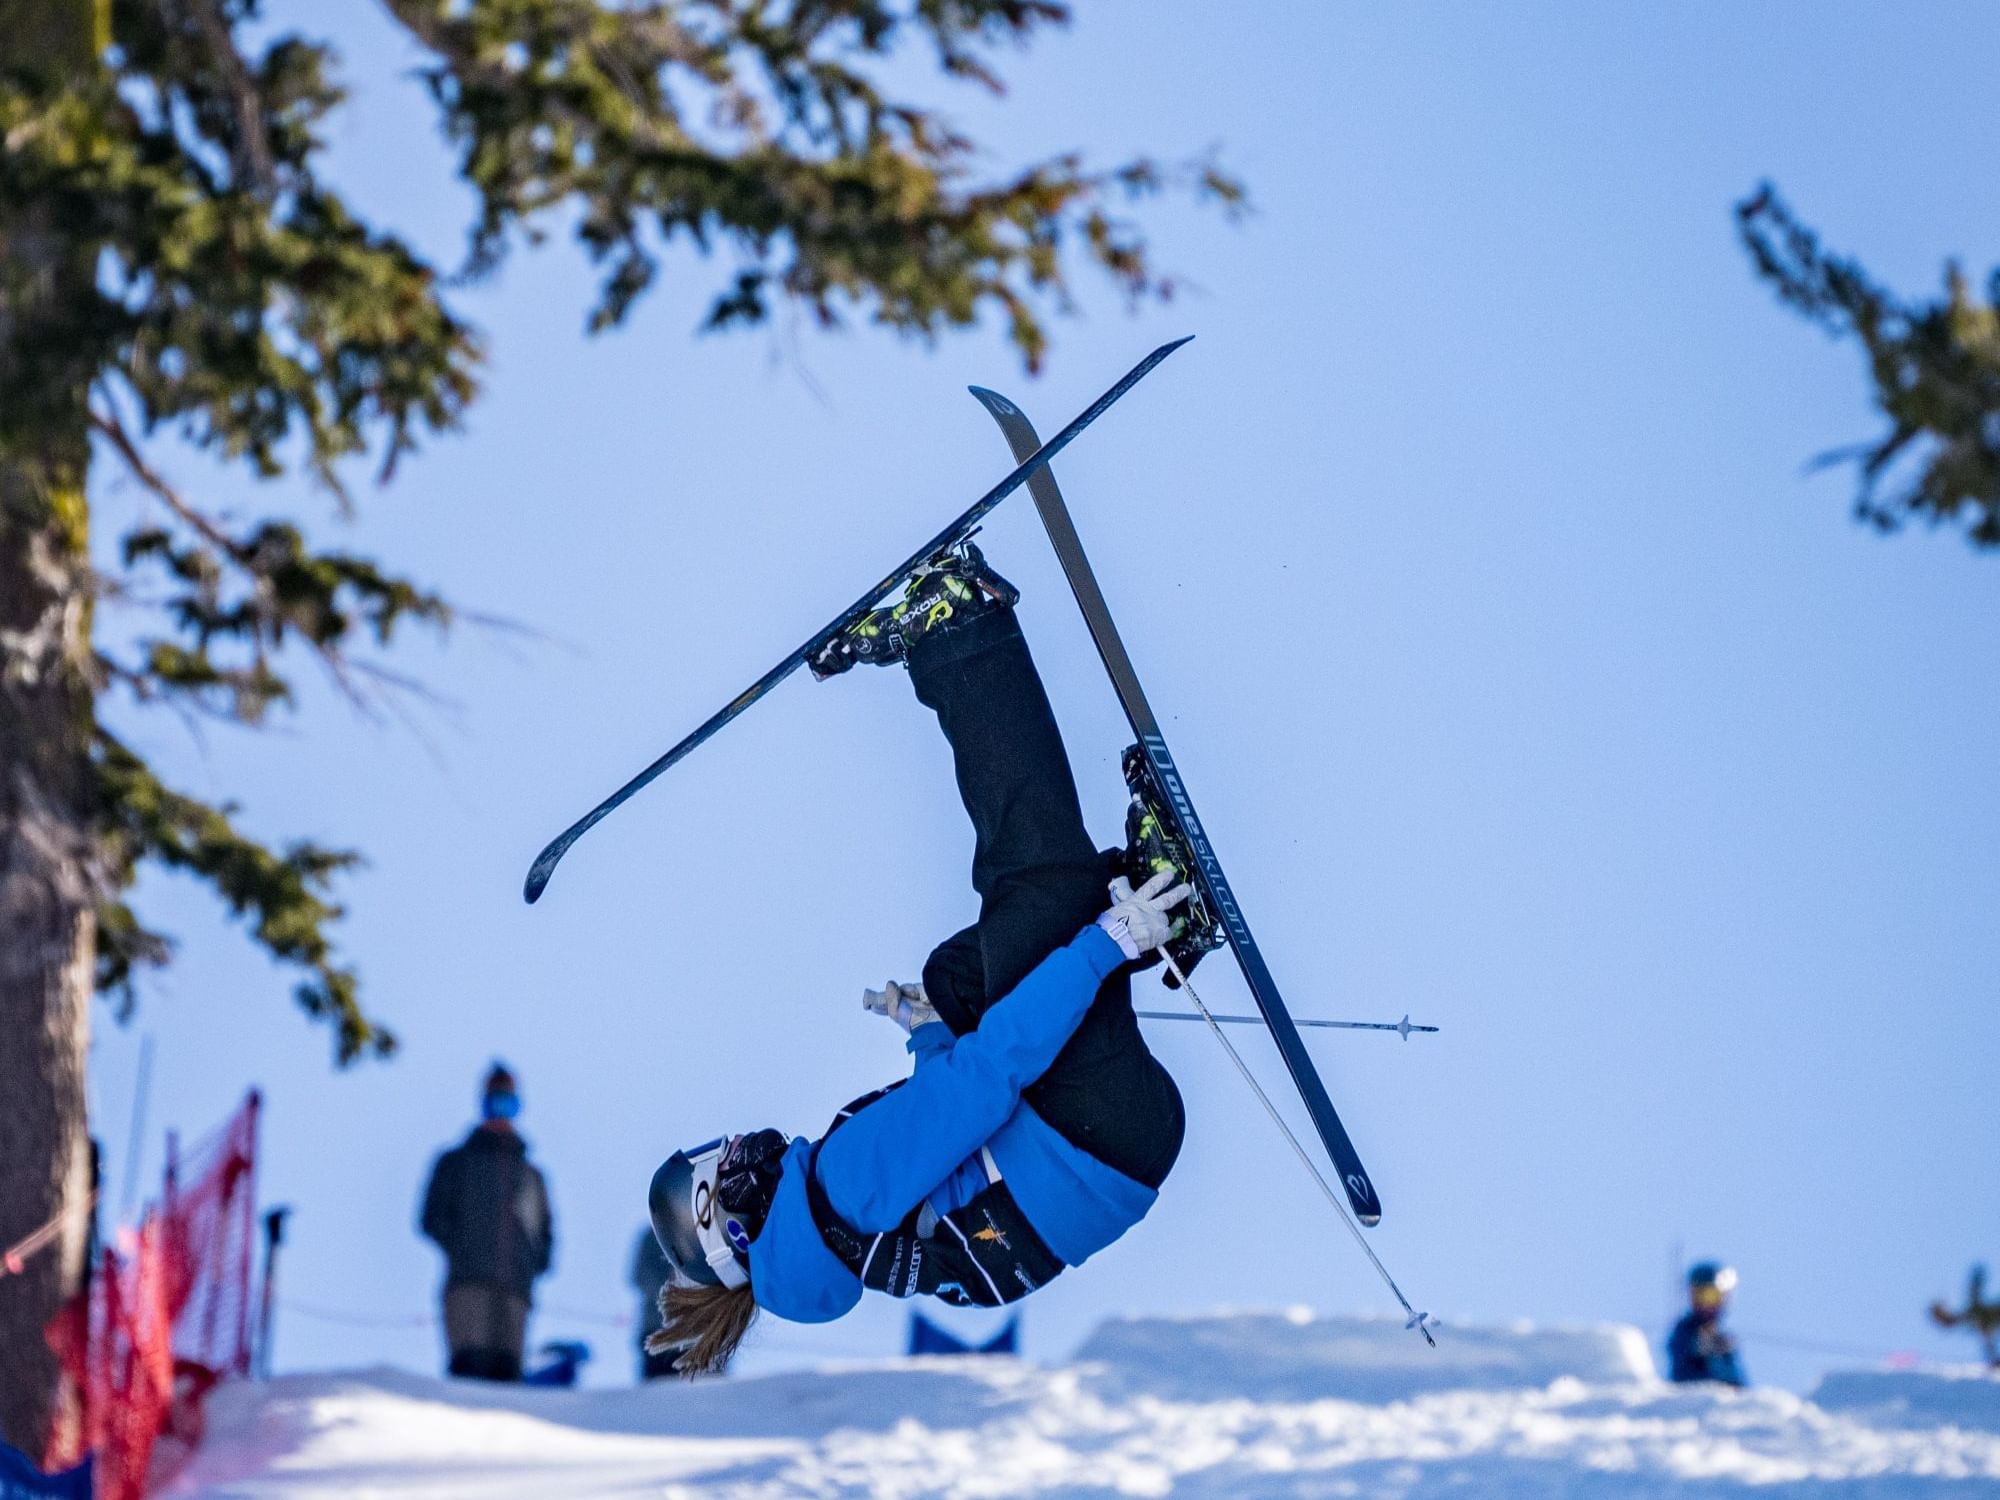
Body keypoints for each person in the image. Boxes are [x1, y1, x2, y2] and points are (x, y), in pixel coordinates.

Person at [644, 543, 1199, 1373]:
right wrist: (1103, 946)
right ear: (730, 1215)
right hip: (1088, 1131)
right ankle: (956, 623)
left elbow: (956, 1126)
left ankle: (1159, 892)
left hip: (1112, 1149)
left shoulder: (843, 1243)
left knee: (958, 979)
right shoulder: (841, 1186)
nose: (736, 1149)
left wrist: (927, 1028)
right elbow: (987, 1082)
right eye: (718, 1167)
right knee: (1029, 875)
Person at [419, 1063, 556, 1380]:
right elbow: (431, 1217)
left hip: (515, 1293)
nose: (500, 1113)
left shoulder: (531, 1175)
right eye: (494, 1103)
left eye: (508, 1104)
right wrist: (463, 1248)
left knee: (507, 1380)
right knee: (469, 1373)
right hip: (468, 1290)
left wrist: (531, 1264)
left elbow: (546, 1234)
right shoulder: (457, 1163)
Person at [1668, 1261, 1746, 1386]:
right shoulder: (1684, 1331)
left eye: (1712, 1296)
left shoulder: (1723, 1340)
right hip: (1693, 1401)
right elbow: (1680, 1373)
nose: (1706, 1304)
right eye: (1699, 1296)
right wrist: (1697, 1348)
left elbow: (1738, 1382)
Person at [630, 1225, 682, 1380]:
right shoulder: (652, 1236)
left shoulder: (703, 1232)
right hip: (658, 1335)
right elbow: (640, 1276)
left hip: (700, 1338)